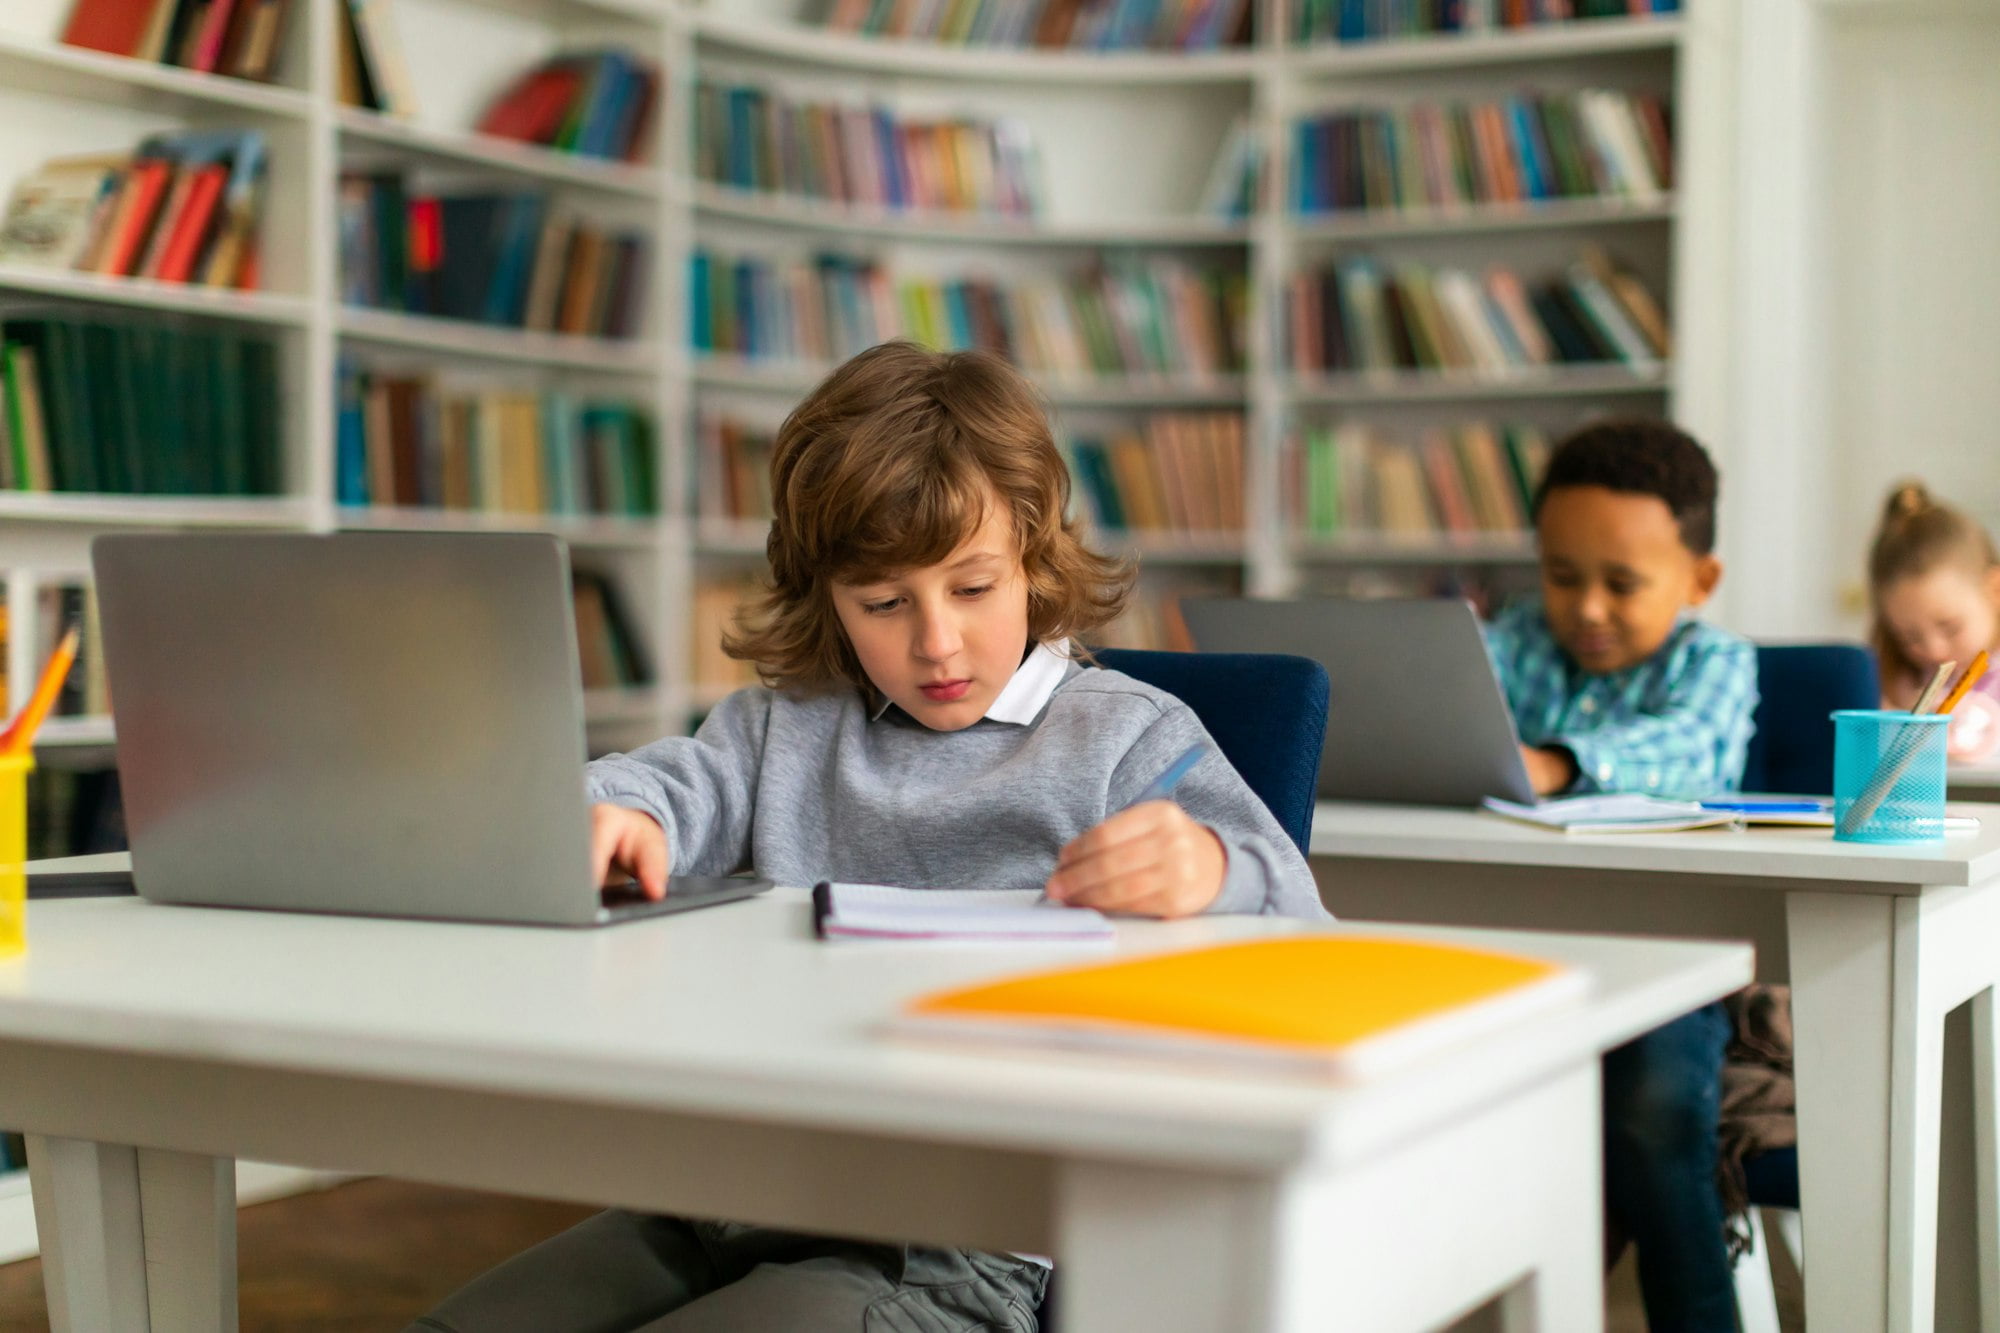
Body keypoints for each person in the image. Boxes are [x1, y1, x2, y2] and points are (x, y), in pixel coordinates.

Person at [409, 340, 1323, 1333]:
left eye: (970, 588)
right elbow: (668, 784)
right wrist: (621, 808)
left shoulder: (1125, 735)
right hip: (724, 1195)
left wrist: (1211, 866)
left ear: (1030, 549)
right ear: (829, 598)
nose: (934, 641)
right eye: (883, 603)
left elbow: (1299, 913)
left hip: (943, 1239)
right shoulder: (788, 723)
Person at [1483, 418, 1758, 1333]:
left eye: (1622, 583)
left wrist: (1555, 760)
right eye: (1562, 576)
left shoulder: (1716, 663)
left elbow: (1690, 747)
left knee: (1654, 1108)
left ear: (1700, 581)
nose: (1587, 607)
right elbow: (1446, 719)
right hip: (1516, 947)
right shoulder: (1513, 639)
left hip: (1672, 962)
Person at [1868, 481, 2000, 761]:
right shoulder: (1901, 681)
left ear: (1995, 590)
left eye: (1950, 626)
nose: (1935, 650)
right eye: (1909, 638)